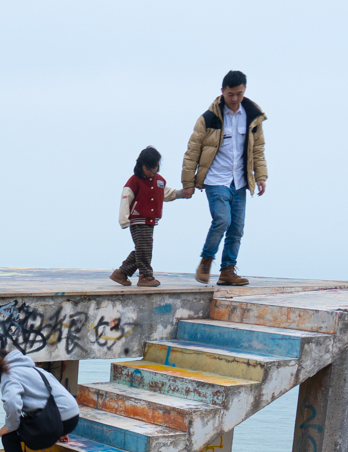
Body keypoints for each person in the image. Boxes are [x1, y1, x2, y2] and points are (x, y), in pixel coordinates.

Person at [179, 70, 267, 286]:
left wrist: (261, 176)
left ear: (245, 90)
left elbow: (258, 149)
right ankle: (206, 260)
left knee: (237, 228)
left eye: (239, 93)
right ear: (222, 92)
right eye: (230, 94)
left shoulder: (253, 116)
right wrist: (188, 183)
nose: (235, 99)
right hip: (215, 179)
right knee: (222, 220)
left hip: (240, 180)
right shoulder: (209, 118)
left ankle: (228, 270)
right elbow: (192, 151)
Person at [111, 147, 185, 288]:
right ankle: (145, 276)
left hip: (151, 220)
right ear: (141, 165)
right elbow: (126, 199)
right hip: (137, 220)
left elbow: (168, 194)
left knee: (143, 248)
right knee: (145, 248)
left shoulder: (159, 181)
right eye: (149, 169)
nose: (152, 172)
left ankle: (121, 273)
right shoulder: (134, 181)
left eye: (155, 168)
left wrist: (182, 194)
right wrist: (124, 220)